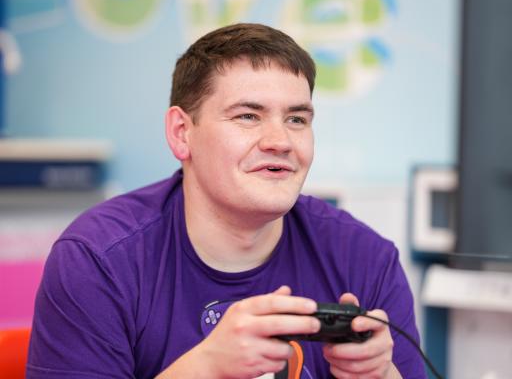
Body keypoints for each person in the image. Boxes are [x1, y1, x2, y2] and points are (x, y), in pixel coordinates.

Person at [27, 23, 426, 379]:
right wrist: (205, 368)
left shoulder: (366, 260)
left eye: (297, 119)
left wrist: (381, 375)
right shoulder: (98, 259)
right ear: (182, 133)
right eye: (248, 116)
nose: (280, 141)